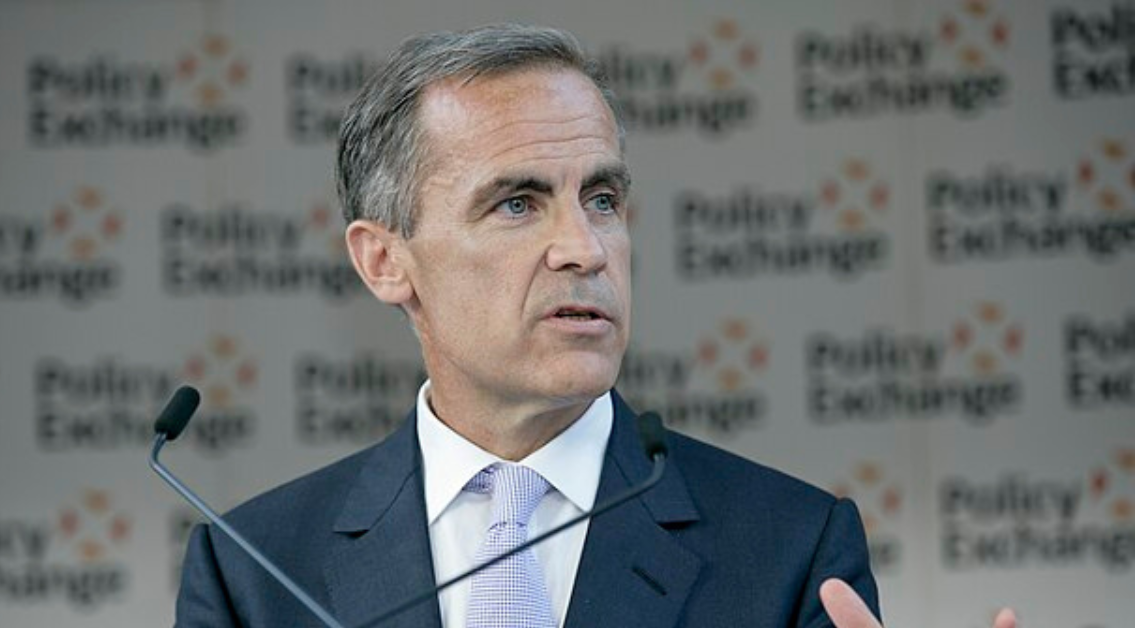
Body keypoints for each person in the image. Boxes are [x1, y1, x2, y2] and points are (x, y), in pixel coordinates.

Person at [174, 24, 1016, 628]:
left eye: (602, 199)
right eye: (517, 203)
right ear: (384, 261)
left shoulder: (790, 549)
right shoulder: (254, 570)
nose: (584, 248)